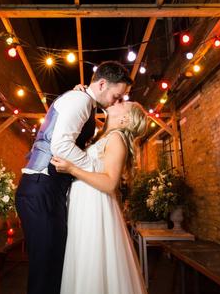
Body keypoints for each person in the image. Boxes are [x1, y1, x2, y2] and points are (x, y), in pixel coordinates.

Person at [15, 61, 133, 294]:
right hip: (42, 187)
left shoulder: (86, 103)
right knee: (45, 268)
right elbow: (60, 146)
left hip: (49, 189)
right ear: (101, 84)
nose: (116, 101)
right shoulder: (80, 100)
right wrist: (95, 167)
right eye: (116, 95)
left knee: (52, 265)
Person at [51, 100, 148, 294]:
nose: (117, 100)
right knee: (83, 258)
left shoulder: (117, 139)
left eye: (122, 103)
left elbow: (110, 182)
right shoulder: (103, 136)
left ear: (125, 119)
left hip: (95, 206)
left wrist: (72, 169)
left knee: (91, 258)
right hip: (86, 202)